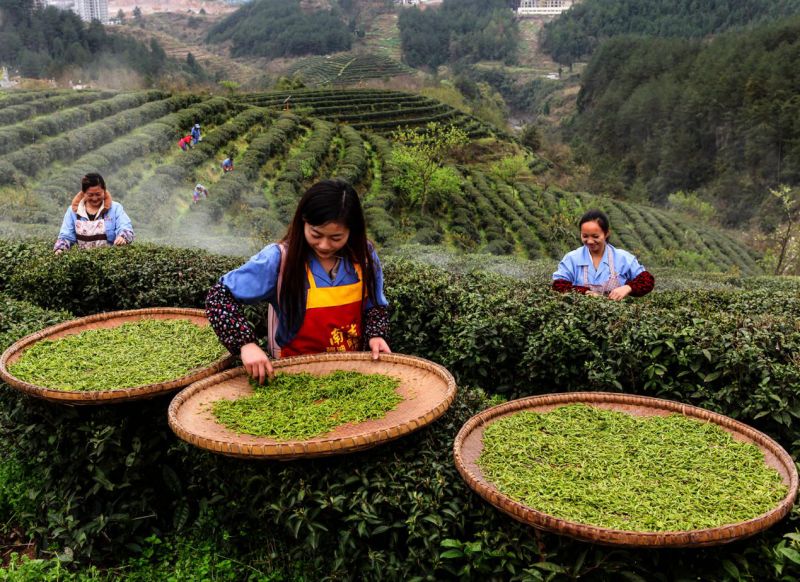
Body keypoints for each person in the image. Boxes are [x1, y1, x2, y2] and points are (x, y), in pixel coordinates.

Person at [206, 179, 391, 383]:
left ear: (351, 231)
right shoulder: (278, 259)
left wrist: (376, 335)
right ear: (303, 222)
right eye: (316, 234)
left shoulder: (363, 256)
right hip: (293, 376)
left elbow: (374, 305)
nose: (324, 245)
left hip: (351, 372)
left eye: (336, 238)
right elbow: (219, 296)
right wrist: (245, 344)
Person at [552, 209, 654, 300]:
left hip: (617, 319)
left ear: (606, 233)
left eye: (595, 236)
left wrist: (628, 287)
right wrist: (585, 292)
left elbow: (647, 280)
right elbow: (558, 285)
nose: (590, 241)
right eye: (585, 236)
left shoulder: (622, 258)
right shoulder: (572, 258)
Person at [54, 173, 134, 254]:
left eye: (98, 194)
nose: (95, 198)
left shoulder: (115, 208)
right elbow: (66, 236)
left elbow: (126, 228)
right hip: (82, 260)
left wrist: (122, 237)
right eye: (90, 195)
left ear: (104, 190)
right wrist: (60, 249)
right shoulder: (73, 211)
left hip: (111, 259)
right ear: (84, 193)